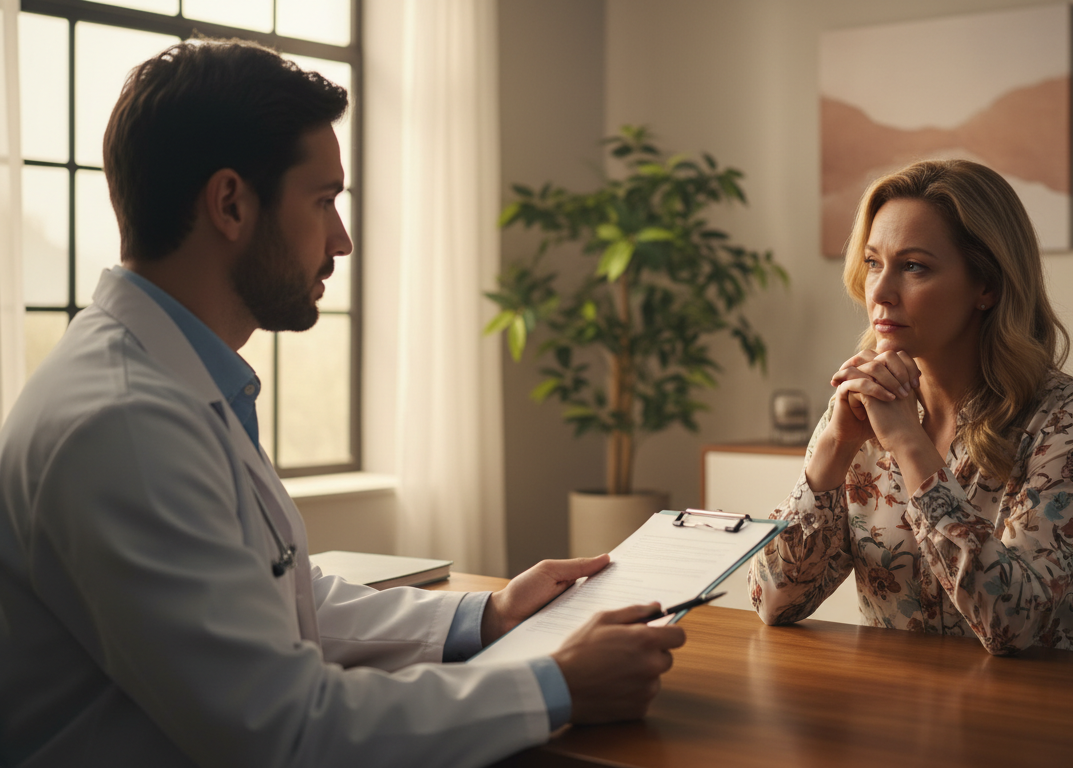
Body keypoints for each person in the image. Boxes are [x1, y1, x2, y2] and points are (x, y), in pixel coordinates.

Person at [0, 39, 684, 767]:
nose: (343, 239)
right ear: (230, 203)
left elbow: (276, 598)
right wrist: (555, 686)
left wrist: (486, 617)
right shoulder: (125, 424)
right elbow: (285, 728)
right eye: (324, 200)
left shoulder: (169, 381)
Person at [747, 159, 1073, 657]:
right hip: (898, 716)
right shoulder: (862, 401)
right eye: (874, 262)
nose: (878, 291)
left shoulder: (1070, 417)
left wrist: (908, 444)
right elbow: (773, 601)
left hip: (1041, 714)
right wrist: (833, 448)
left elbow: (1014, 624)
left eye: (914, 266)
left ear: (986, 285)